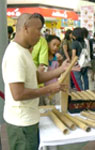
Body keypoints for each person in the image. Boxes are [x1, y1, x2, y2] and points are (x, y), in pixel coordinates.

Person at [2, 13, 69, 150]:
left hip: (28, 119)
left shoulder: (24, 51)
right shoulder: (16, 54)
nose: (41, 34)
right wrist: (50, 89)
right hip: (21, 123)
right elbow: (18, 94)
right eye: (38, 29)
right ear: (26, 28)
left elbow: (35, 77)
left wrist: (61, 69)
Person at [44, 35, 62, 105]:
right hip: (44, 89)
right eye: (53, 44)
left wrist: (60, 63)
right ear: (48, 44)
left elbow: (58, 75)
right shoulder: (42, 59)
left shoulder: (56, 59)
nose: (55, 48)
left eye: (58, 46)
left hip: (55, 89)